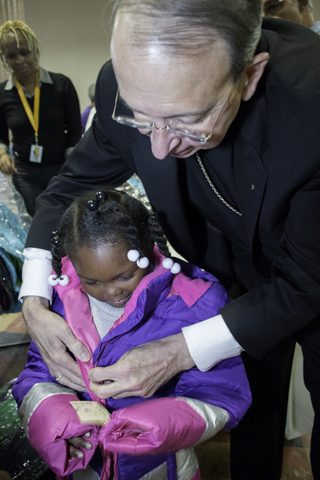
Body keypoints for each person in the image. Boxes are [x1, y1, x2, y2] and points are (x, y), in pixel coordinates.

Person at [18, 1, 320, 479]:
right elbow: (70, 187)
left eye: (186, 121)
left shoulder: (312, 109)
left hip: (309, 276)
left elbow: (307, 281)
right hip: (222, 277)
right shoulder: (125, 84)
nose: (158, 150)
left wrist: (179, 350)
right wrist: (34, 301)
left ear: (249, 77)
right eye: (141, 118)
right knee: (251, 398)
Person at [13, 189, 251, 480]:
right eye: (92, 281)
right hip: (87, 467)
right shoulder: (60, 300)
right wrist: (54, 417)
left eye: (124, 276)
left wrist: (167, 422)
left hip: (164, 467)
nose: (111, 292)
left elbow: (226, 392)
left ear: (148, 247)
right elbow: (38, 371)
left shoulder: (194, 304)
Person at [0, 21, 82, 216]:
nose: (19, 60)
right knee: (37, 220)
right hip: (25, 174)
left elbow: (74, 129)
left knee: (66, 219)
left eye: (25, 53)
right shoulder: (3, 93)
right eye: (11, 56)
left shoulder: (61, 85)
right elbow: (1, 135)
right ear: (4, 58)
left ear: (35, 50)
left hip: (60, 168)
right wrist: (2, 154)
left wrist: (70, 164)